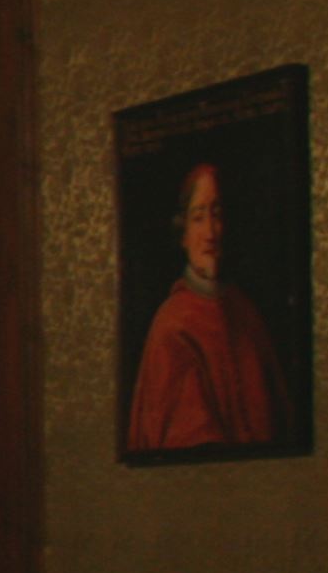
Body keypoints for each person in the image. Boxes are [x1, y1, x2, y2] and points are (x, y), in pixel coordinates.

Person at [124, 161, 293, 452]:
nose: (210, 232)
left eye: (217, 215)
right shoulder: (172, 325)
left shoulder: (244, 312)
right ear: (183, 233)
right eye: (198, 218)